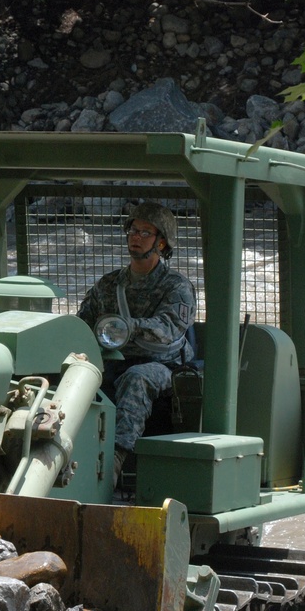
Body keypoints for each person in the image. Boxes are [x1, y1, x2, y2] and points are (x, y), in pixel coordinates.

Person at [77, 202, 196, 484]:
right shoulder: (108, 285)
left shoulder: (176, 286)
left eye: (145, 232)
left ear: (162, 242)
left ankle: (115, 460)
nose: (136, 236)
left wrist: (131, 327)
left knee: (137, 378)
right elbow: (82, 322)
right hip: (111, 359)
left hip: (161, 366)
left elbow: (169, 328)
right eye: (133, 229)